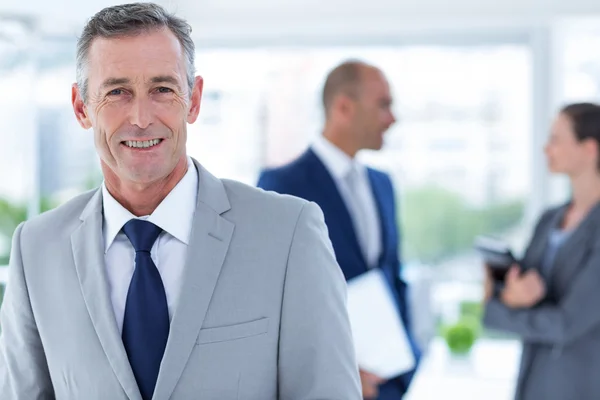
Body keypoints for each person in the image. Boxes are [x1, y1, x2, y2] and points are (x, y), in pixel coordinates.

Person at [0, 3, 362, 399]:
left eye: (162, 89)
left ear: (193, 99)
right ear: (81, 107)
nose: (141, 117)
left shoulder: (289, 234)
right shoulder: (36, 248)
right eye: (117, 92)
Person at [257, 60, 421, 400]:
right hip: (327, 383)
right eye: (383, 105)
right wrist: (337, 372)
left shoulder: (383, 184)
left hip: (392, 380)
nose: (393, 118)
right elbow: (270, 300)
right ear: (344, 107)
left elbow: (392, 275)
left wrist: (408, 359)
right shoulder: (281, 184)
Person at [483, 102, 600, 400]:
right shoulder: (550, 219)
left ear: (589, 149)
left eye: (556, 140)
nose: (546, 149)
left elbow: (567, 324)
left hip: (580, 386)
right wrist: (508, 293)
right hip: (534, 381)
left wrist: (495, 308)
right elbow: (520, 285)